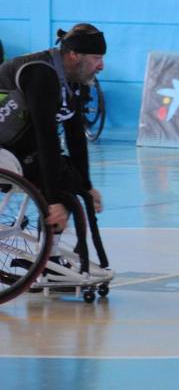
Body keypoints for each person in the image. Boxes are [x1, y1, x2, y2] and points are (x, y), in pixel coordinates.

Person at [0, 23, 105, 263]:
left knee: (70, 178)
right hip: (6, 147)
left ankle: (50, 257)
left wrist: (87, 186)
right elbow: (45, 137)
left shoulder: (72, 79)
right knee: (58, 179)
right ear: (74, 55)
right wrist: (53, 200)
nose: (101, 65)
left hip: (18, 144)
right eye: (96, 58)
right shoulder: (41, 74)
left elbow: (76, 137)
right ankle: (47, 257)